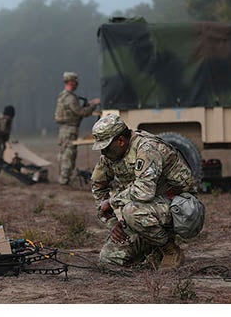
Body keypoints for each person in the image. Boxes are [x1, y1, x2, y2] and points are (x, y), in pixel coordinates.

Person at [90, 114, 199, 269]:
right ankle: (151, 246)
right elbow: (98, 186)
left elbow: (144, 191)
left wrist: (112, 201)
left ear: (120, 141)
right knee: (108, 259)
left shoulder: (147, 148)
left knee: (131, 211)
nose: (103, 152)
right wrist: (113, 224)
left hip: (181, 207)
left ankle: (169, 250)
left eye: (105, 147)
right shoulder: (110, 155)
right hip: (146, 210)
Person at [54, 71, 101, 186]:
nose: (77, 83)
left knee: (64, 153)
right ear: (71, 82)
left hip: (64, 130)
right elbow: (80, 112)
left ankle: (63, 177)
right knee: (69, 154)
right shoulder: (70, 98)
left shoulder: (63, 95)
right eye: (75, 81)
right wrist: (93, 105)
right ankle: (64, 179)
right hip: (70, 130)